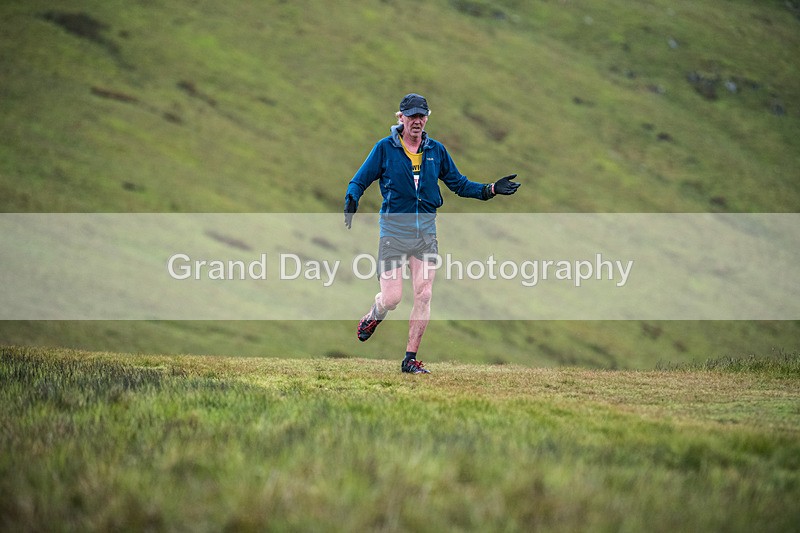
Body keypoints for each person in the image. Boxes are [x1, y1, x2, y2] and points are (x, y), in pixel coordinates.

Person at [344, 93, 520, 374]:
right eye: (411, 116)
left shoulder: (436, 151)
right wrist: (352, 197)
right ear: (400, 118)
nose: (417, 121)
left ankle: (410, 359)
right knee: (392, 299)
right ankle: (375, 313)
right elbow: (359, 180)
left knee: (424, 294)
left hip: (425, 234)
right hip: (393, 233)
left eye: (421, 116)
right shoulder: (385, 149)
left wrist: (490, 189)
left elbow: (459, 184)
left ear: (427, 118)